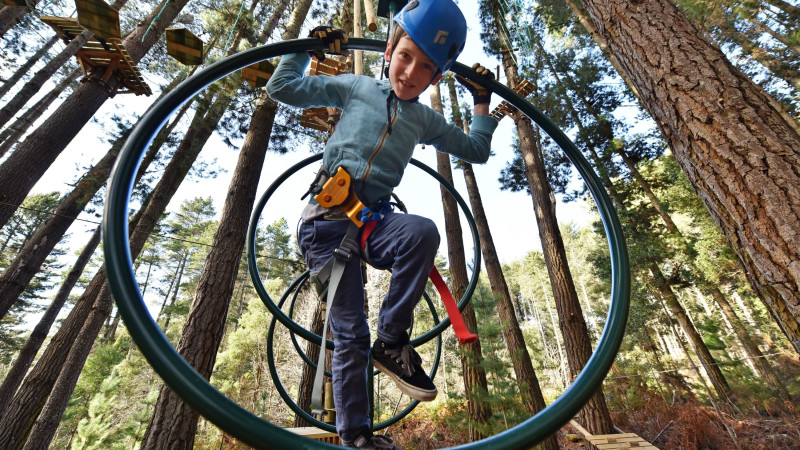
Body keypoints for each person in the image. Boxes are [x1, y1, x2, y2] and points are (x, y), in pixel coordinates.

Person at [266, 0, 497, 448]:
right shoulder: (355, 88)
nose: (410, 73)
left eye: (425, 67)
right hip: (326, 224)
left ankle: (393, 341)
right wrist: (304, 48)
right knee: (350, 332)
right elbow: (284, 87)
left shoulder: (424, 119)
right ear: (390, 48)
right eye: (406, 56)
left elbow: (476, 148)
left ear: (437, 77)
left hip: (373, 225)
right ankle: (357, 438)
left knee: (423, 231)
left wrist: (482, 101)